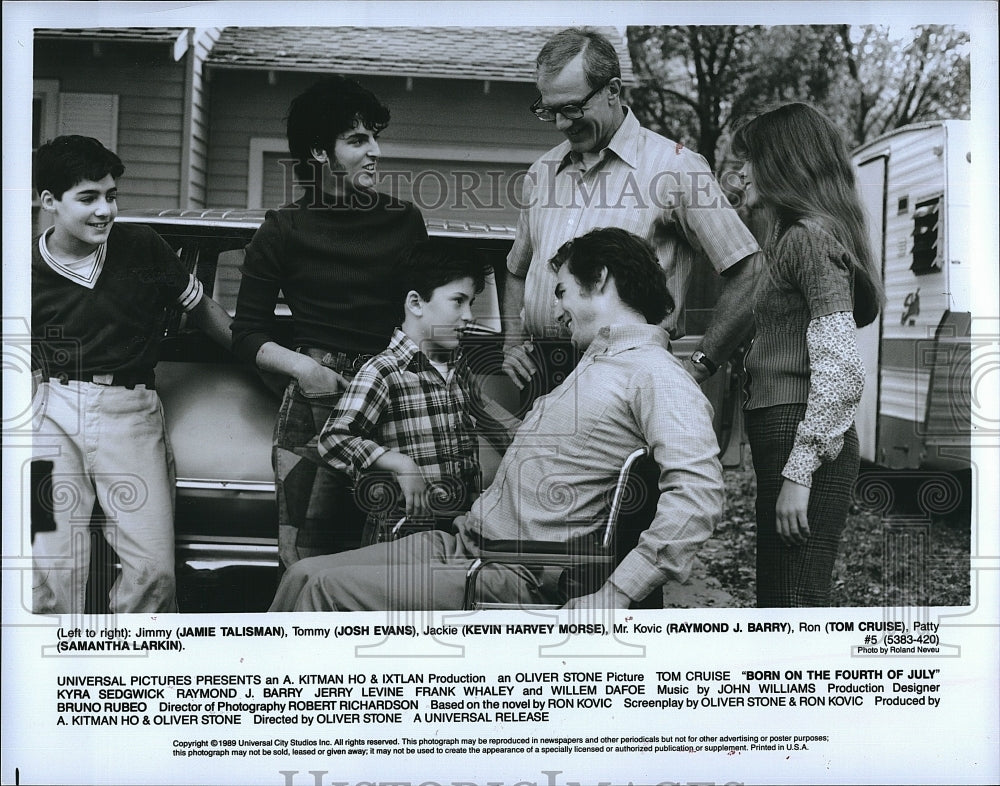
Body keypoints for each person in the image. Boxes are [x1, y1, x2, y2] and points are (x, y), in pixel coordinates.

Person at [270, 227, 725, 612]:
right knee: (302, 576)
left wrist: (615, 595)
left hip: (510, 572)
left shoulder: (655, 373)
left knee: (322, 594)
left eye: (562, 291)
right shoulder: (594, 364)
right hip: (463, 544)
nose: (557, 308)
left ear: (600, 280)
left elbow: (698, 495)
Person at [501, 27, 759, 406]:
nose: (561, 124)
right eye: (550, 111)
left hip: (625, 381)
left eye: (572, 108)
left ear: (613, 90)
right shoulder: (542, 171)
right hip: (539, 379)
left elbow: (750, 272)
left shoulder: (677, 168)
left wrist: (700, 365)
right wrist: (511, 341)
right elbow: (516, 269)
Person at [31, 135, 233, 614]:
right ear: (49, 202)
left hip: (131, 411)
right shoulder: (20, 267)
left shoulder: (142, 247)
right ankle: (52, 680)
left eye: (111, 195)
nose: (105, 210)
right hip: (48, 418)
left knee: (153, 571)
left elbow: (205, 311)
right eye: (88, 198)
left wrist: (269, 360)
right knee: (46, 569)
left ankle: (135, 678)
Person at [231, 76, 427, 568]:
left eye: (374, 137)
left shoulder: (403, 220)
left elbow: (422, 315)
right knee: (305, 558)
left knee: (387, 558)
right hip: (313, 403)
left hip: (390, 395)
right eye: (358, 140)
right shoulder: (284, 228)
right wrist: (305, 370)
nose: (375, 151)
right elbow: (247, 333)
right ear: (320, 152)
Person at [731, 103, 884, 607]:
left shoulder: (808, 239)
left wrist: (799, 474)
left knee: (792, 605)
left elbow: (840, 369)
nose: (743, 171)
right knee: (783, 600)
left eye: (751, 158)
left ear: (782, 163)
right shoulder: (797, 238)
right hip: (791, 433)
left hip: (802, 438)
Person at [316, 238, 500, 543]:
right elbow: (334, 439)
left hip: (455, 530)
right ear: (415, 303)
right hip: (401, 533)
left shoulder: (458, 370)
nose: (469, 316)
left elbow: (489, 426)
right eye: (458, 301)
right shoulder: (384, 371)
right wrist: (400, 463)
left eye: (472, 304)